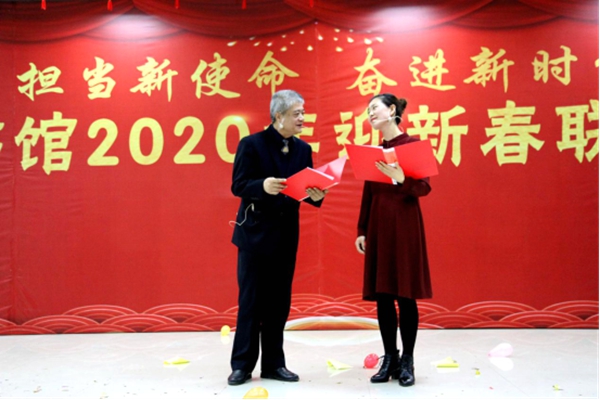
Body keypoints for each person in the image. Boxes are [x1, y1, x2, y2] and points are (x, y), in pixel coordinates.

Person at [227, 89, 327, 386]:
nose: (302, 118)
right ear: (278, 116)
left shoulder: (303, 149)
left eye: (303, 113)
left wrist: (317, 195)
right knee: (251, 301)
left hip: (285, 236)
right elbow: (238, 185)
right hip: (255, 235)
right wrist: (262, 185)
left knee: (279, 303)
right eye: (297, 113)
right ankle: (242, 365)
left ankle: (273, 364)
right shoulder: (251, 144)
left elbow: (307, 189)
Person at [355, 93, 432, 387]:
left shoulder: (413, 145)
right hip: (378, 227)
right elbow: (368, 193)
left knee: (405, 294)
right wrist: (362, 229)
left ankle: (407, 360)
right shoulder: (373, 152)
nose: (370, 113)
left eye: (375, 108)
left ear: (392, 110)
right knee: (384, 294)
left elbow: (424, 188)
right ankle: (390, 357)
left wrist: (401, 177)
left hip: (405, 226)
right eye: (368, 110)